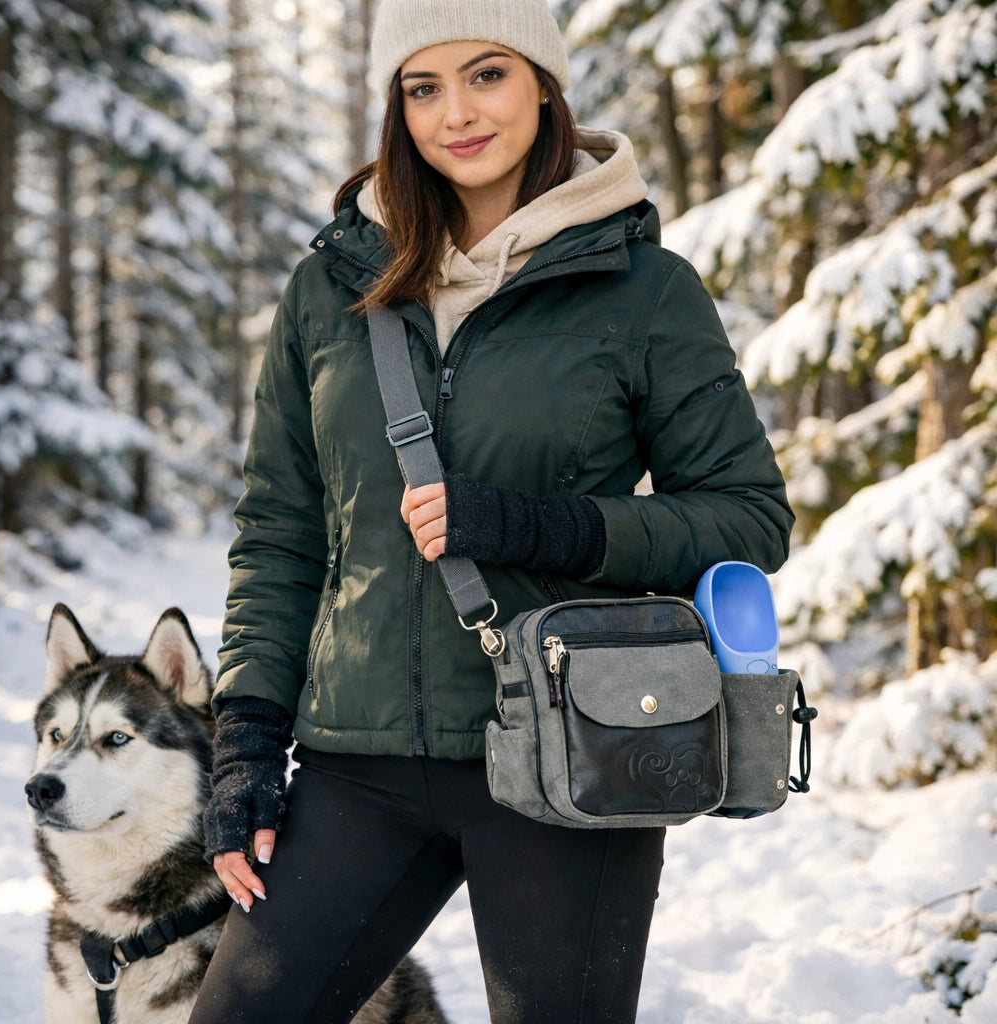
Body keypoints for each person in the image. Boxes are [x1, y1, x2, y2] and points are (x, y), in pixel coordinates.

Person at [189, 0, 794, 1021]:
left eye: (487, 74)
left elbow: (745, 517)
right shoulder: (329, 290)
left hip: (571, 750)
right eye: (421, 87)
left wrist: (541, 526)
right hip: (357, 757)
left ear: (544, 87)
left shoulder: (641, 289)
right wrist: (245, 735)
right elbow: (282, 530)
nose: (455, 113)